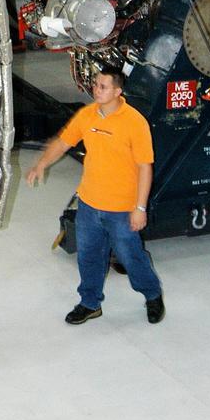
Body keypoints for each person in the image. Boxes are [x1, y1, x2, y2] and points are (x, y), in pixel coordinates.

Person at [25, 67, 164, 326]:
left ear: (118, 91)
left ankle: (152, 295)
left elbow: (145, 167)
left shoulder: (135, 122)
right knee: (88, 256)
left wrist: (140, 208)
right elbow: (63, 141)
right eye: (96, 85)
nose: (96, 90)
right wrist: (41, 163)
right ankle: (90, 303)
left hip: (122, 209)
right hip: (89, 205)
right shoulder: (87, 116)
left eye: (103, 86)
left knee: (130, 257)